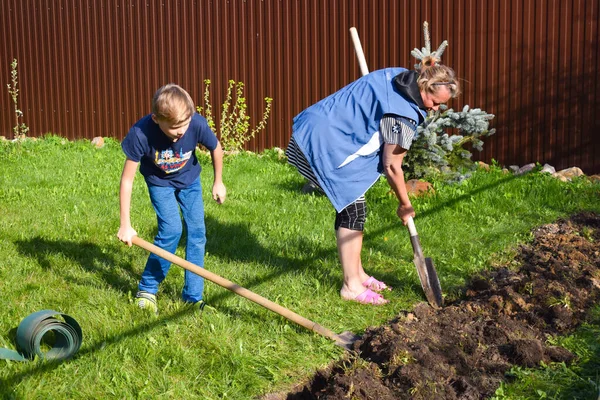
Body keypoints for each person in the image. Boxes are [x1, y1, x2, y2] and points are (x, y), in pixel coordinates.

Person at [286, 61, 460, 305]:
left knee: (356, 207)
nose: (436, 109)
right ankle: (351, 286)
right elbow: (392, 166)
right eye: (435, 102)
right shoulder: (403, 116)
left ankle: (358, 274)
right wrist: (404, 204)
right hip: (321, 147)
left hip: (316, 126)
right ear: (424, 88)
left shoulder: (396, 75)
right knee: (352, 210)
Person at [117, 83, 226, 313]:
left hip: (190, 180)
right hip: (159, 182)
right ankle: (147, 289)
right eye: (175, 127)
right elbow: (127, 180)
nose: (182, 131)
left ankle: (193, 296)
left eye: (185, 124)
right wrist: (125, 224)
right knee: (171, 231)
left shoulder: (195, 123)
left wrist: (218, 181)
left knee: (197, 232)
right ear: (156, 119)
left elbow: (216, 148)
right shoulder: (141, 133)